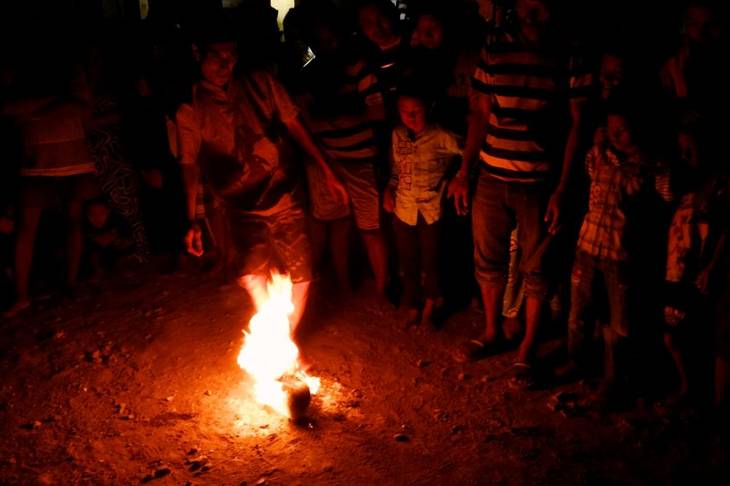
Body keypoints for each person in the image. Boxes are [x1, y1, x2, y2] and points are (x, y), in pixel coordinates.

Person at [448, 0, 591, 389]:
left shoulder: (569, 53)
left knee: (537, 268)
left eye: (541, 7)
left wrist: (562, 188)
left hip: (539, 182)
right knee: (488, 259)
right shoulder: (495, 46)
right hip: (492, 174)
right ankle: (492, 331)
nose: (532, 14)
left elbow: (577, 126)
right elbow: (479, 113)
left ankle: (527, 347)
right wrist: (464, 172)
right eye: (526, 5)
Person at [175, 18, 347, 331]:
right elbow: (189, 163)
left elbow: (294, 123)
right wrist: (192, 219)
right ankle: (275, 337)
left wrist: (327, 169)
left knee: (302, 274)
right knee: (250, 274)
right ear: (197, 53)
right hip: (240, 205)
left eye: (231, 57)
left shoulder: (261, 82)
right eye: (217, 57)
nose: (226, 65)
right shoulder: (191, 105)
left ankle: (286, 340)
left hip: (284, 193)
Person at [562, 104, 673, 407]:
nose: (616, 135)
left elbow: (667, 199)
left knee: (618, 324)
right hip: (587, 247)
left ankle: (613, 381)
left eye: (622, 129)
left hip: (621, 256)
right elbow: (588, 169)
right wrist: (598, 145)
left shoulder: (652, 167)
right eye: (611, 129)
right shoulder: (600, 156)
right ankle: (578, 363)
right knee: (578, 314)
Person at [297, 1, 389, 298]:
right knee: (337, 224)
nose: (327, 45)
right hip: (327, 160)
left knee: (370, 228)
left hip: (360, 159)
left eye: (330, 39)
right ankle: (344, 285)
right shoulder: (310, 72)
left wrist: (340, 112)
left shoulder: (357, 67)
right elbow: (304, 116)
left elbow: (377, 111)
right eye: (320, 41)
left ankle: (382, 287)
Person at [2, 45, 100, 318]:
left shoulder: (70, 67)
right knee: (26, 229)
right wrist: (58, 102)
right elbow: (8, 108)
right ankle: (22, 296)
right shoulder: (15, 68)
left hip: (73, 159)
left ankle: (71, 284)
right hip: (35, 163)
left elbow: (82, 108)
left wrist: (34, 109)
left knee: (74, 221)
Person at [384, 87, 461, 326]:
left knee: (431, 261)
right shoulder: (398, 134)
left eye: (416, 111)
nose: (411, 117)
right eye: (405, 112)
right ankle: (411, 305)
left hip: (430, 210)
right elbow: (397, 168)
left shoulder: (442, 136)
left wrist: (460, 178)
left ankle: (430, 303)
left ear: (427, 109)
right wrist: (389, 188)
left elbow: (470, 153)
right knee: (407, 261)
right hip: (403, 209)